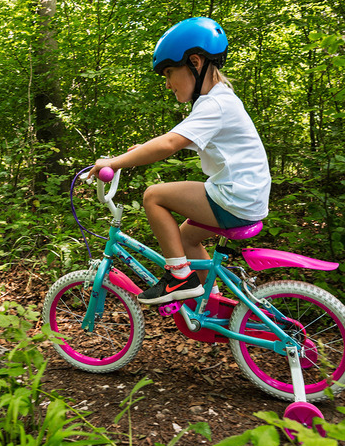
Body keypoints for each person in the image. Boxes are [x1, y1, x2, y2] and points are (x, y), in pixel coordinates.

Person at [88, 17, 271, 305]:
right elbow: (184, 139)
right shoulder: (219, 100)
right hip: (244, 197)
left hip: (236, 198)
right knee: (186, 239)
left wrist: (115, 161)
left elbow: (170, 143)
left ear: (195, 63)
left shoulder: (215, 104)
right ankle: (211, 305)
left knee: (154, 196)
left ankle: (179, 277)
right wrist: (143, 149)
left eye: (169, 72)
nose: (167, 84)